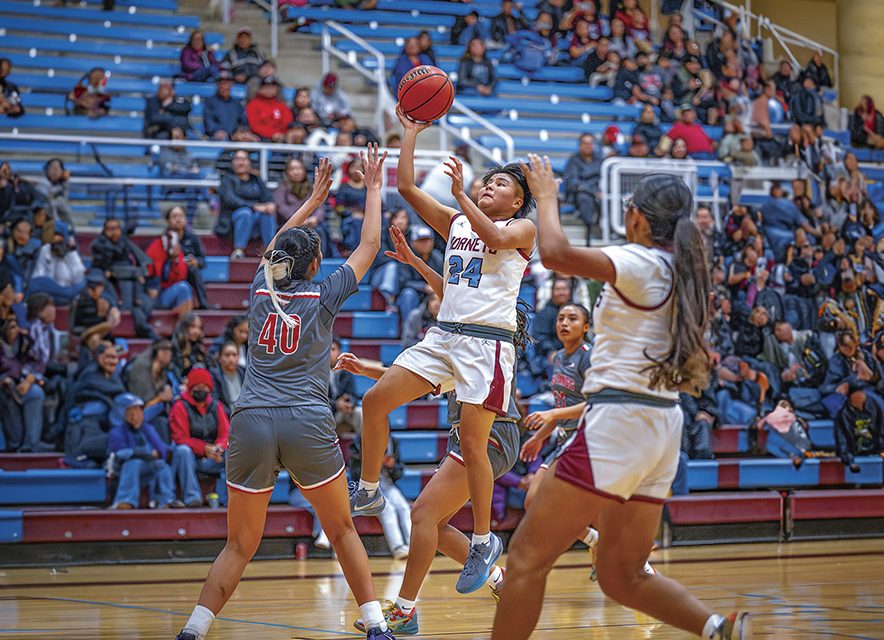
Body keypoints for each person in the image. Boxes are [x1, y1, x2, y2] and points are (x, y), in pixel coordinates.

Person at [491, 158, 749, 640]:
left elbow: (554, 252)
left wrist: (546, 196)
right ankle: (718, 629)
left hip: (620, 421)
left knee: (526, 558)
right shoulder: (678, 269)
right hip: (660, 427)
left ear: (636, 218)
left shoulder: (641, 261)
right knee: (620, 575)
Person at [174, 150, 398, 640]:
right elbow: (370, 242)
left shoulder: (259, 287)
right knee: (341, 530)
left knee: (238, 545)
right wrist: (375, 185)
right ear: (316, 264)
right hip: (306, 420)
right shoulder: (325, 292)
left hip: (252, 419)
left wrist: (312, 200)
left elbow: (275, 247)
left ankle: (193, 629)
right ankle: (378, 626)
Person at [351, 104, 535, 596]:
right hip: (444, 335)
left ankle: (481, 541)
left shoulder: (520, 232)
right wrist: (410, 134)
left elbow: (491, 234)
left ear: (516, 204)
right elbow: (409, 189)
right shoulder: (455, 222)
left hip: (487, 346)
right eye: (486, 182)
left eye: (500, 186)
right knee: (374, 400)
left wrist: (459, 194)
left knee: (474, 446)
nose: (488, 187)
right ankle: (368, 490)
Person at [337, 229, 529, 633]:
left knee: (422, 514)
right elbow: (411, 376)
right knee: (434, 525)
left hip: (494, 436)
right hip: (472, 437)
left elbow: (455, 301)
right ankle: (499, 579)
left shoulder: (485, 346)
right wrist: (366, 368)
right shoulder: (460, 349)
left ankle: (405, 610)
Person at [107, 394, 181, 509]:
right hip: (123, 472)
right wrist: (145, 453)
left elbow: (161, 447)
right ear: (123, 414)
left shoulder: (147, 428)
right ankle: (125, 500)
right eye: (131, 412)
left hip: (145, 469)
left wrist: (164, 452)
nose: (135, 416)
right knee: (134, 463)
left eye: (138, 411)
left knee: (161, 465)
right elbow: (120, 455)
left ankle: (166, 500)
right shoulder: (116, 432)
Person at [171, 367, 230, 508]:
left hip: (214, 457)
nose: (201, 389)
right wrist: (204, 449)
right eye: (197, 387)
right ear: (190, 388)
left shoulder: (216, 406)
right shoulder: (180, 406)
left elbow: (225, 433)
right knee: (182, 450)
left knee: (233, 450)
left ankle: (230, 499)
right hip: (192, 458)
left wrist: (218, 448)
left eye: (204, 387)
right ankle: (192, 498)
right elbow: (180, 438)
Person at [218, 150, 277, 260]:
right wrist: (254, 206)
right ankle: (239, 250)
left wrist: (270, 205)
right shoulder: (227, 179)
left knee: (267, 214)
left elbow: (267, 196)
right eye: (237, 159)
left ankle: (270, 250)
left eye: (244, 159)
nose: (241, 162)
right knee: (245, 212)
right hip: (233, 218)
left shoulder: (255, 179)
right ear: (232, 163)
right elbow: (230, 200)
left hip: (256, 217)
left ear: (249, 162)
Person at [28, 223, 86, 306]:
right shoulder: (45, 250)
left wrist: (72, 253)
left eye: (60, 236)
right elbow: (39, 279)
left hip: (69, 298)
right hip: (48, 298)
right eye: (55, 235)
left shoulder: (71, 252)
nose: (57, 239)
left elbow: (79, 279)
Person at [145, 229, 194, 316]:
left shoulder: (177, 251)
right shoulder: (154, 249)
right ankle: (186, 323)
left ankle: (186, 321)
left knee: (185, 287)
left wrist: (175, 260)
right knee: (184, 288)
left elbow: (182, 276)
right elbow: (148, 273)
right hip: (156, 296)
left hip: (171, 292)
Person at [563, 133, 602, 241]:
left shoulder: (600, 160)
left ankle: (610, 232)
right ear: (580, 145)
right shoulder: (573, 160)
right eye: (585, 143)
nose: (587, 146)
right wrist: (594, 191)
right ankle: (590, 231)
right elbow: (573, 183)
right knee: (584, 197)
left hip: (599, 192)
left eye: (590, 143)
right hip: (580, 194)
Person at [246, 76, 292, 142]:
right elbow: (255, 125)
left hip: (282, 138)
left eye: (272, 87)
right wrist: (272, 134)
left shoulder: (282, 106)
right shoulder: (253, 105)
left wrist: (281, 135)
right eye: (267, 87)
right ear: (260, 89)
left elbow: (288, 122)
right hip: (261, 139)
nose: (269, 90)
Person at [204, 70, 247, 141]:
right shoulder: (210, 102)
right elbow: (209, 124)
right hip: (217, 138)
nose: (225, 86)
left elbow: (243, 121)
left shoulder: (236, 103)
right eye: (222, 83)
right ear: (217, 85)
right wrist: (217, 131)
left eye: (228, 83)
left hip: (235, 138)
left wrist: (241, 132)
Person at [34, 158, 74, 228]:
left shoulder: (63, 184)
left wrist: (65, 181)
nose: (55, 171)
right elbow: (48, 199)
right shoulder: (41, 185)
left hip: (61, 222)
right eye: (52, 168)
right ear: (46, 170)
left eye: (58, 168)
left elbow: (63, 199)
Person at [171, 312, 209, 379]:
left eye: (199, 328)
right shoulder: (174, 347)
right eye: (193, 327)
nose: (197, 331)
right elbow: (176, 374)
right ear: (184, 328)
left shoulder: (199, 347)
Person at [212, 341, 245, 415]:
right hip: (225, 415)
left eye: (234, 355)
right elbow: (215, 401)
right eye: (227, 355)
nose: (231, 359)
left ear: (238, 357)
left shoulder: (244, 372)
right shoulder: (214, 375)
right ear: (220, 358)